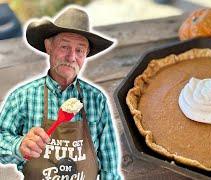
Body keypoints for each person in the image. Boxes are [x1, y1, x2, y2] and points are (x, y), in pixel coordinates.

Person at [0, 6, 122, 180]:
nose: (71, 57)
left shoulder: (97, 100)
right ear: (49, 46)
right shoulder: (22, 97)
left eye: (79, 50)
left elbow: (110, 169)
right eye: (65, 46)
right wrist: (19, 146)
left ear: (86, 54)